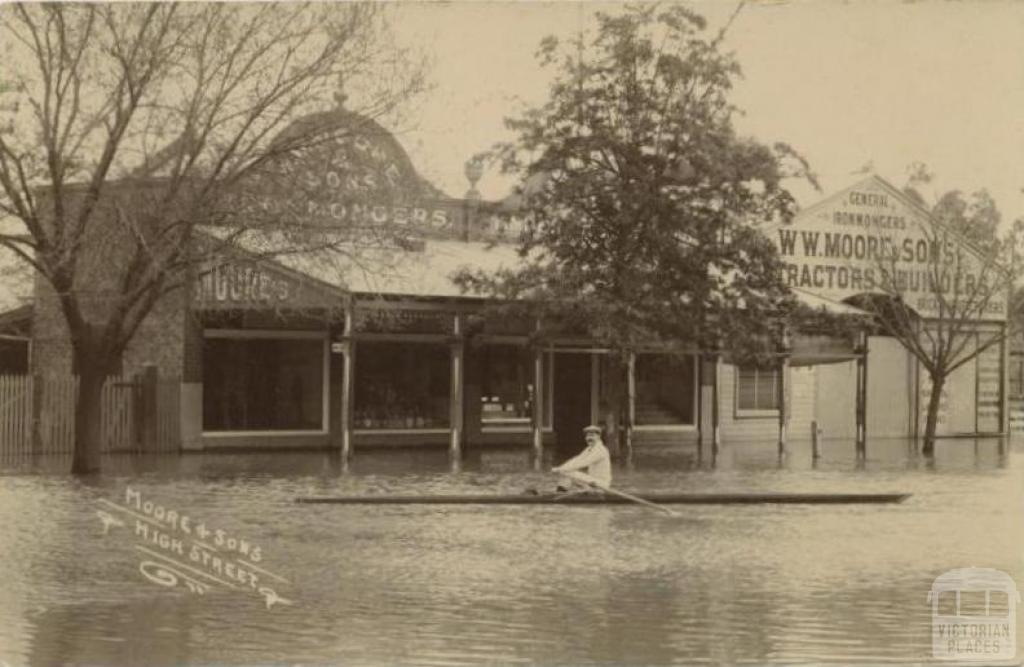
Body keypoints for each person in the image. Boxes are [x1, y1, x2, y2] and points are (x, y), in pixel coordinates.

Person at [552, 425, 612, 491]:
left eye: (592, 435)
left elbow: (584, 463)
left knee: (568, 472)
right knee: (566, 473)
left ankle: (559, 494)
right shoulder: (589, 449)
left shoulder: (600, 450)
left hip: (601, 484)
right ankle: (559, 492)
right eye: (587, 436)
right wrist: (561, 468)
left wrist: (561, 469)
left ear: (598, 437)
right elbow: (577, 459)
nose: (589, 438)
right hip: (592, 482)